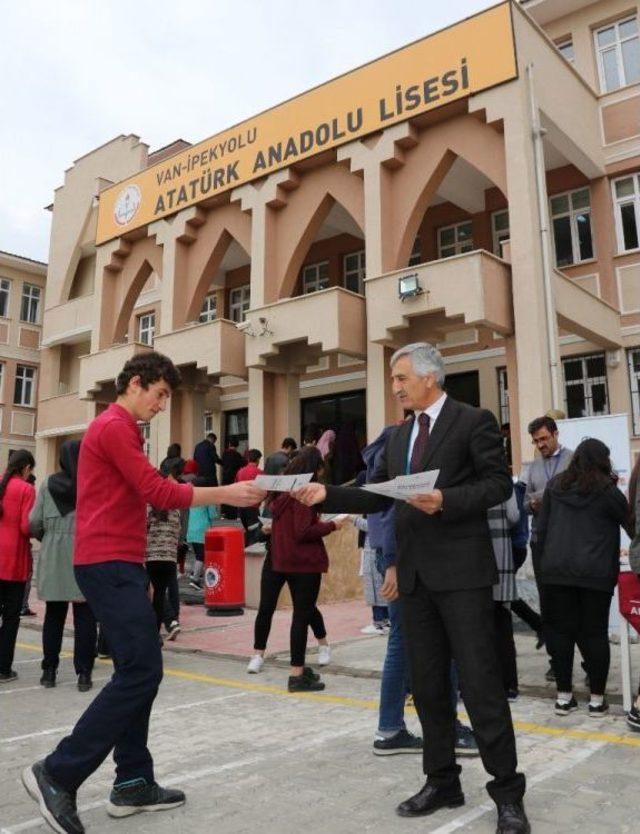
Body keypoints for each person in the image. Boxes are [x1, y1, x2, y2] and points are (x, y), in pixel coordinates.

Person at [21, 351, 266, 834]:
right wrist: (225, 494)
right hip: (108, 562)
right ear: (136, 383)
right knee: (142, 671)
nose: (161, 405)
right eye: (159, 395)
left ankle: (132, 781)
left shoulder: (118, 428)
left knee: (138, 669)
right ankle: (57, 772)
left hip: (117, 562)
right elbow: (160, 492)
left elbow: (147, 490)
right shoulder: (114, 427)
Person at [294, 342, 528, 834]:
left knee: (481, 685)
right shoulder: (399, 437)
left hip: (463, 576)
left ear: (429, 377)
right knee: (426, 686)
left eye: (401, 378)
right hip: (417, 578)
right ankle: (442, 780)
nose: (395, 386)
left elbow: (497, 485)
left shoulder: (473, 420)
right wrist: (328, 495)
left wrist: (444, 499)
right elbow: (378, 492)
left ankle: (507, 792)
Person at [537, 439, 630, 717]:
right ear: (603, 460)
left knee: (560, 633)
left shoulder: (555, 486)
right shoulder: (608, 491)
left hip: (556, 572)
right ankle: (596, 700)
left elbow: (541, 531)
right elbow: (631, 524)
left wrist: (544, 568)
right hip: (596, 574)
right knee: (594, 634)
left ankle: (564, 697)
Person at [269, 446, 347, 692]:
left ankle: (301, 670)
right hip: (304, 563)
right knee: (301, 618)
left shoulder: (283, 494)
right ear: (315, 469)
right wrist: (332, 525)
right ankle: (296, 675)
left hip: (285, 562)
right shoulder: (304, 496)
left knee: (301, 615)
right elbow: (304, 532)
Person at [30, 440, 97, 692]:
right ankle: (84, 674)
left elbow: (34, 521)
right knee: (85, 617)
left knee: (54, 616)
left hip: (55, 555)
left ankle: (49, 671)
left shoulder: (47, 484)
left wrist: (47, 535)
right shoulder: (92, 484)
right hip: (85, 555)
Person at [247, 519, 331, 674]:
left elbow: (311, 530)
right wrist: (264, 531)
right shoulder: (274, 503)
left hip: (299, 562)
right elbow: (258, 536)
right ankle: (258, 655)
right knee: (265, 607)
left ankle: (323, 644)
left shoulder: (304, 505)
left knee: (306, 608)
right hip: (275, 561)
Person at [525, 415, 574, 682]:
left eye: (544, 439)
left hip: (568, 542)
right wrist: (533, 503)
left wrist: (544, 498)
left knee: (574, 604)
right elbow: (523, 501)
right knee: (550, 605)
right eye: (536, 441)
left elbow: (574, 492)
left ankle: (590, 664)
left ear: (555, 434)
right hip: (540, 542)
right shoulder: (532, 468)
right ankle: (557, 662)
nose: (540, 445)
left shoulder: (573, 461)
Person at [0, 449, 36, 683]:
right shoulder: (26, 489)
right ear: (25, 469)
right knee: (11, 617)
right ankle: (3, 668)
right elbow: (26, 527)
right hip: (13, 560)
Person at [488, 494, 520, 701]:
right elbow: (513, 516)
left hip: (469, 557)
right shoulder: (502, 481)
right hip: (499, 553)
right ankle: (509, 685)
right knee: (501, 623)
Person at [146, 465, 183, 642]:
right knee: (159, 597)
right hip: (169, 558)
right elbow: (178, 530)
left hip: (151, 557)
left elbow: (142, 528)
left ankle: (152, 636)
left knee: (146, 595)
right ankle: (156, 633)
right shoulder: (175, 509)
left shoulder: (149, 507)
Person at [509, 478, 544, 648]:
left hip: (512, 548)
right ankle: (538, 624)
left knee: (504, 595)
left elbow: (512, 517)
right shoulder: (516, 488)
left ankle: (539, 624)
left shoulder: (510, 489)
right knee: (505, 596)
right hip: (516, 547)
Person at [236, 449, 263, 541]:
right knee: (254, 532)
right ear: (258, 459)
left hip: (241, 506)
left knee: (245, 532)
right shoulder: (260, 473)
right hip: (253, 506)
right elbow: (264, 490)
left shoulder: (240, 472)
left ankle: (244, 551)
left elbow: (236, 486)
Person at [220, 437, 245, 519]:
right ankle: (232, 513)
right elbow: (243, 464)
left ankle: (224, 512)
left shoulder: (225, 454)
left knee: (224, 494)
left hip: (225, 477)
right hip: (233, 478)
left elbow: (222, 463)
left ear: (229, 444)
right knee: (233, 495)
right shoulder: (237, 455)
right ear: (237, 445)